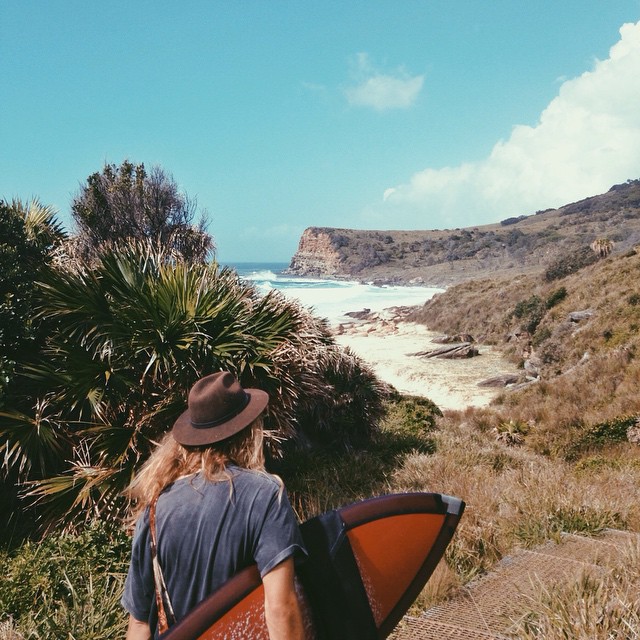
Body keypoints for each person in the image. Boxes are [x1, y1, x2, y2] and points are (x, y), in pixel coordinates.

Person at [121, 371, 307, 639]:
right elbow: (280, 609)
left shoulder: (155, 507)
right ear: (248, 431)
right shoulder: (265, 494)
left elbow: (139, 624)